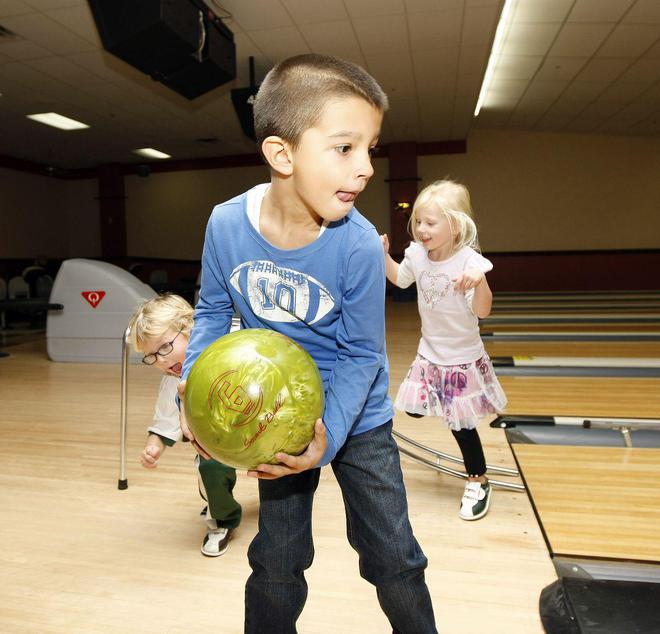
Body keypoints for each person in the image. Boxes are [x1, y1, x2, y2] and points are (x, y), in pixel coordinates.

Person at [180, 54, 437, 633]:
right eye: (346, 148)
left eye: (371, 148)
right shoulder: (225, 225)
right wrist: (193, 394)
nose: (367, 167)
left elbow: (361, 356)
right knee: (277, 560)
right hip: (277, 414)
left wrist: (328, 438)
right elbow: (215, 312)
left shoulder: (358, 246)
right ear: (282, 154)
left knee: (394, 558)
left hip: (358, 417)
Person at [381, 180, 507, 521]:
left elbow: (482, 311)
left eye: (431, 223)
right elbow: (400, 279)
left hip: (461, 360)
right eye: (419, 221)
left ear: (456, 225)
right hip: (429, 354)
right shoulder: (417, 255)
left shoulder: (470, 262)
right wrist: (383, 256)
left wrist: (479, 282)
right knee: (414, 410)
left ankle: (479, 480)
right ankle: (446, 414)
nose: (422, 229)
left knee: (461, 427)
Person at [128, 293, 242, 557]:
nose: (162, 361)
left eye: (165, 347)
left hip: (258, 420)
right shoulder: (172, 379)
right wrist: (154, 445)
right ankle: (222, 519)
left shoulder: (231, 342)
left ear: (188, 326)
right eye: (152, 357)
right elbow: (166, 417)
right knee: (208, 465)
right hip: (217, 438)